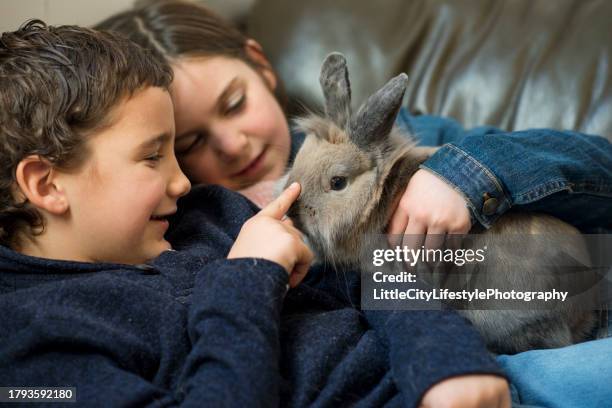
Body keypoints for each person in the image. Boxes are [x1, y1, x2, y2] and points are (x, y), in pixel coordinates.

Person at [95, 1, 612, 407]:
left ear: (260, 65)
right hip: (475, 367)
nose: (234, 145)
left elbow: (597, 171)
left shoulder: (405, 141)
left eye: (236, 104)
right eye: (190, 143)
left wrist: (467, 176)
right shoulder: (204, 232)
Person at [0, 20, 512, 407]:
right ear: (46, 185)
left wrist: (446, 363)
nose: (184, 181)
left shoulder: (205, 214)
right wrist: (248, 278)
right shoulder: (30, 352)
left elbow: (367, 276)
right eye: (155, 155)